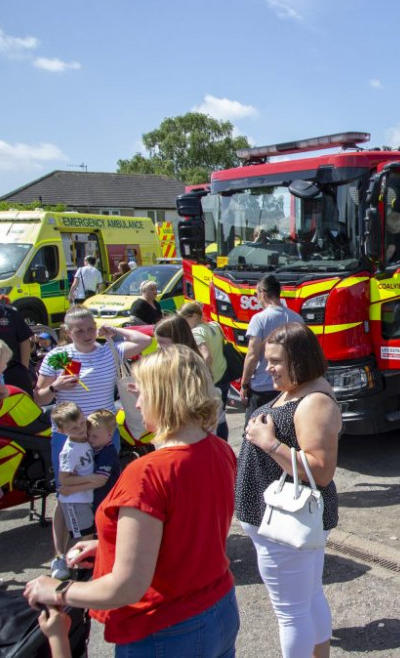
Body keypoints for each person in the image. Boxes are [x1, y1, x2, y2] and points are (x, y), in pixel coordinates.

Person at [24, 345, 239, 656]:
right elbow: (190, 531)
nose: (136, 404)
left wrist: (59, 589)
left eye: (142, 394)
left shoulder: (148, 472)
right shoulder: (218, 449)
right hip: (218, 607)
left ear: (164, 396)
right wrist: (111, 545)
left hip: (164, 630)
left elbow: (127, 587)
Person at [236, 323, 341, 657]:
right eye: (268, 360)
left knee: (291, 611)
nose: (268, 368)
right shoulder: (300, 388)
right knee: (307, 599)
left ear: (301, 359)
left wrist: (269, 444)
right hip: (279, 521)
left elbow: (321, 471)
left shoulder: (314, 401)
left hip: (285, 522)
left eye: (276, 361)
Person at [35, 307, 152, 580]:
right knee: (67, 493)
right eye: (80, 330)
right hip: (68, 435)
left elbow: (145, 341)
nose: (87, 334)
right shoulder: (58, 357)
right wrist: (55, 388)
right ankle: (59, 556)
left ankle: (101, 547)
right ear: (68, 332)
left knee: (106, 490)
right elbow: (38, 398)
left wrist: (114, 331)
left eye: (91, 328)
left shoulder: (107, 350)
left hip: (102, 433)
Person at [240, 274, 304, 421]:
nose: (257, 298)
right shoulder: (297, 319)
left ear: (263, 292)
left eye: (256, 294)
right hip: (288, 387)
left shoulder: (259, 319)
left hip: (262, 388)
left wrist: (244, 384)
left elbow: (252, 355)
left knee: (253, 433)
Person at [155, 315, 227, 440]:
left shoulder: (188, 365)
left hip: (200, 432)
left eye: (162, 342)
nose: (158, 347)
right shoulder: (184, 361)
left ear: (176, 339)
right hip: (201, 429)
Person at [50, 402, 96, 577]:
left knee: (89, 534)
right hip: (76, 501)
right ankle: (83, 570)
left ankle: (86, 567)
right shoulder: (69, 451)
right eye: (73, 427)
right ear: (62, 431)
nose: (80, 429)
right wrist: (91, 481)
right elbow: (64, 480)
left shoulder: (85, 439)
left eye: (82, 423)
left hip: (84, 497)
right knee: (85, 536)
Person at [179, 302, 231, 423]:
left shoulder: (196, 333)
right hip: (224, 375)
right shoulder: (214, 326)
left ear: (194, 317)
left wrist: (202, 377)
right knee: (221, 415)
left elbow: (207, 356)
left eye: (184, 319)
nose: (183, 324)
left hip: (212, 380)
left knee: (210, 419)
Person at [0, 298, 33, 395]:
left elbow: (24, 339)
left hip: (13, 372)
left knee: (23, 408)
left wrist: (24, 369)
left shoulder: (9, 313)